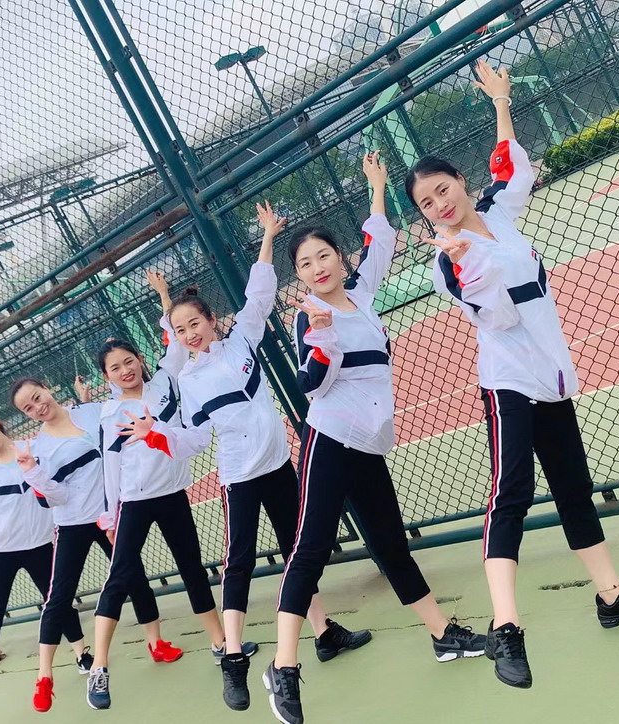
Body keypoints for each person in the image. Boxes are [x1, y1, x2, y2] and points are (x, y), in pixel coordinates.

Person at [404, 60, 619, 690]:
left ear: (460, 182)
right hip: (509, 383)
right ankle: (507, 628)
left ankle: (612, 595)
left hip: (550, 375)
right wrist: (469, 267)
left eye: (442, 190)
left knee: (574, 487)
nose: (440, 205)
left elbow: (513, 168)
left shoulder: (497, 211)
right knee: (512, 495)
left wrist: (501, 104)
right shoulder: (451, 263)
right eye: (426, 204)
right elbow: (497, 319)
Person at [255, 151, 485, 724]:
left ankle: (443, 635)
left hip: (367, 445)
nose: (317, 268)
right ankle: (284, 667)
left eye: (323, 256)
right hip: (330, 441)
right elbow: (312, 386)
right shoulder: (311, 317)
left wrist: (377, 187)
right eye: (305, 264)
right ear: (298, 276)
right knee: (310, 549)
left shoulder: (360, 294)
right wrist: (324, 339)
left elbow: (379, 242)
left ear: (340, 258)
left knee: (390, 543)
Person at [117, 203, 371, 713]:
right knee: (239, 563)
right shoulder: (188, 381)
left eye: (195, 323)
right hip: (239, 478)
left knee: (300, 551)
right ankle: (233, 659)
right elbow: (193, 441)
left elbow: (258, 293)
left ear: (212, 320)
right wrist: (155, 434)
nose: (190, 334)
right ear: (175, 337)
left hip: (279, 466)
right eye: (180, 330)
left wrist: (269, 236)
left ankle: (323, 632)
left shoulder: (242, 342)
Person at [89, 310, 255, 710]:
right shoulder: (110, 414)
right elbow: (111, 467)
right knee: (120, 576)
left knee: (192, 569)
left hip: (172, 494)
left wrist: (165, 303)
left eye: (129, 361)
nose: (125, 370)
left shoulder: (165, 380)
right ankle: (98, 667)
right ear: (107, 377)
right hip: (134, 502)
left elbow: (175, 343)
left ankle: (219, 642)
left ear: (140, 359)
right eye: (115, 368)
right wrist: (110, 515)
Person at [9, 374, 181, 713]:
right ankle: (44, 678)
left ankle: (156, 642)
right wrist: (32, 471)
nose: (37, 407)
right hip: (72, 524)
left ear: (47, 388)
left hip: (110, 516)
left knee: (134, 577)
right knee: (58, 597)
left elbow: (114, 449)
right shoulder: (39, 448)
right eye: (28, 408)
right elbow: (56, 497)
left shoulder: (91, 412)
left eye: (37, 397)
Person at [0, 410, 86, 718]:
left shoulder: (34, 450)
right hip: (0, 552)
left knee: (59, 604)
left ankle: (82, 654)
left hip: (40, 545)